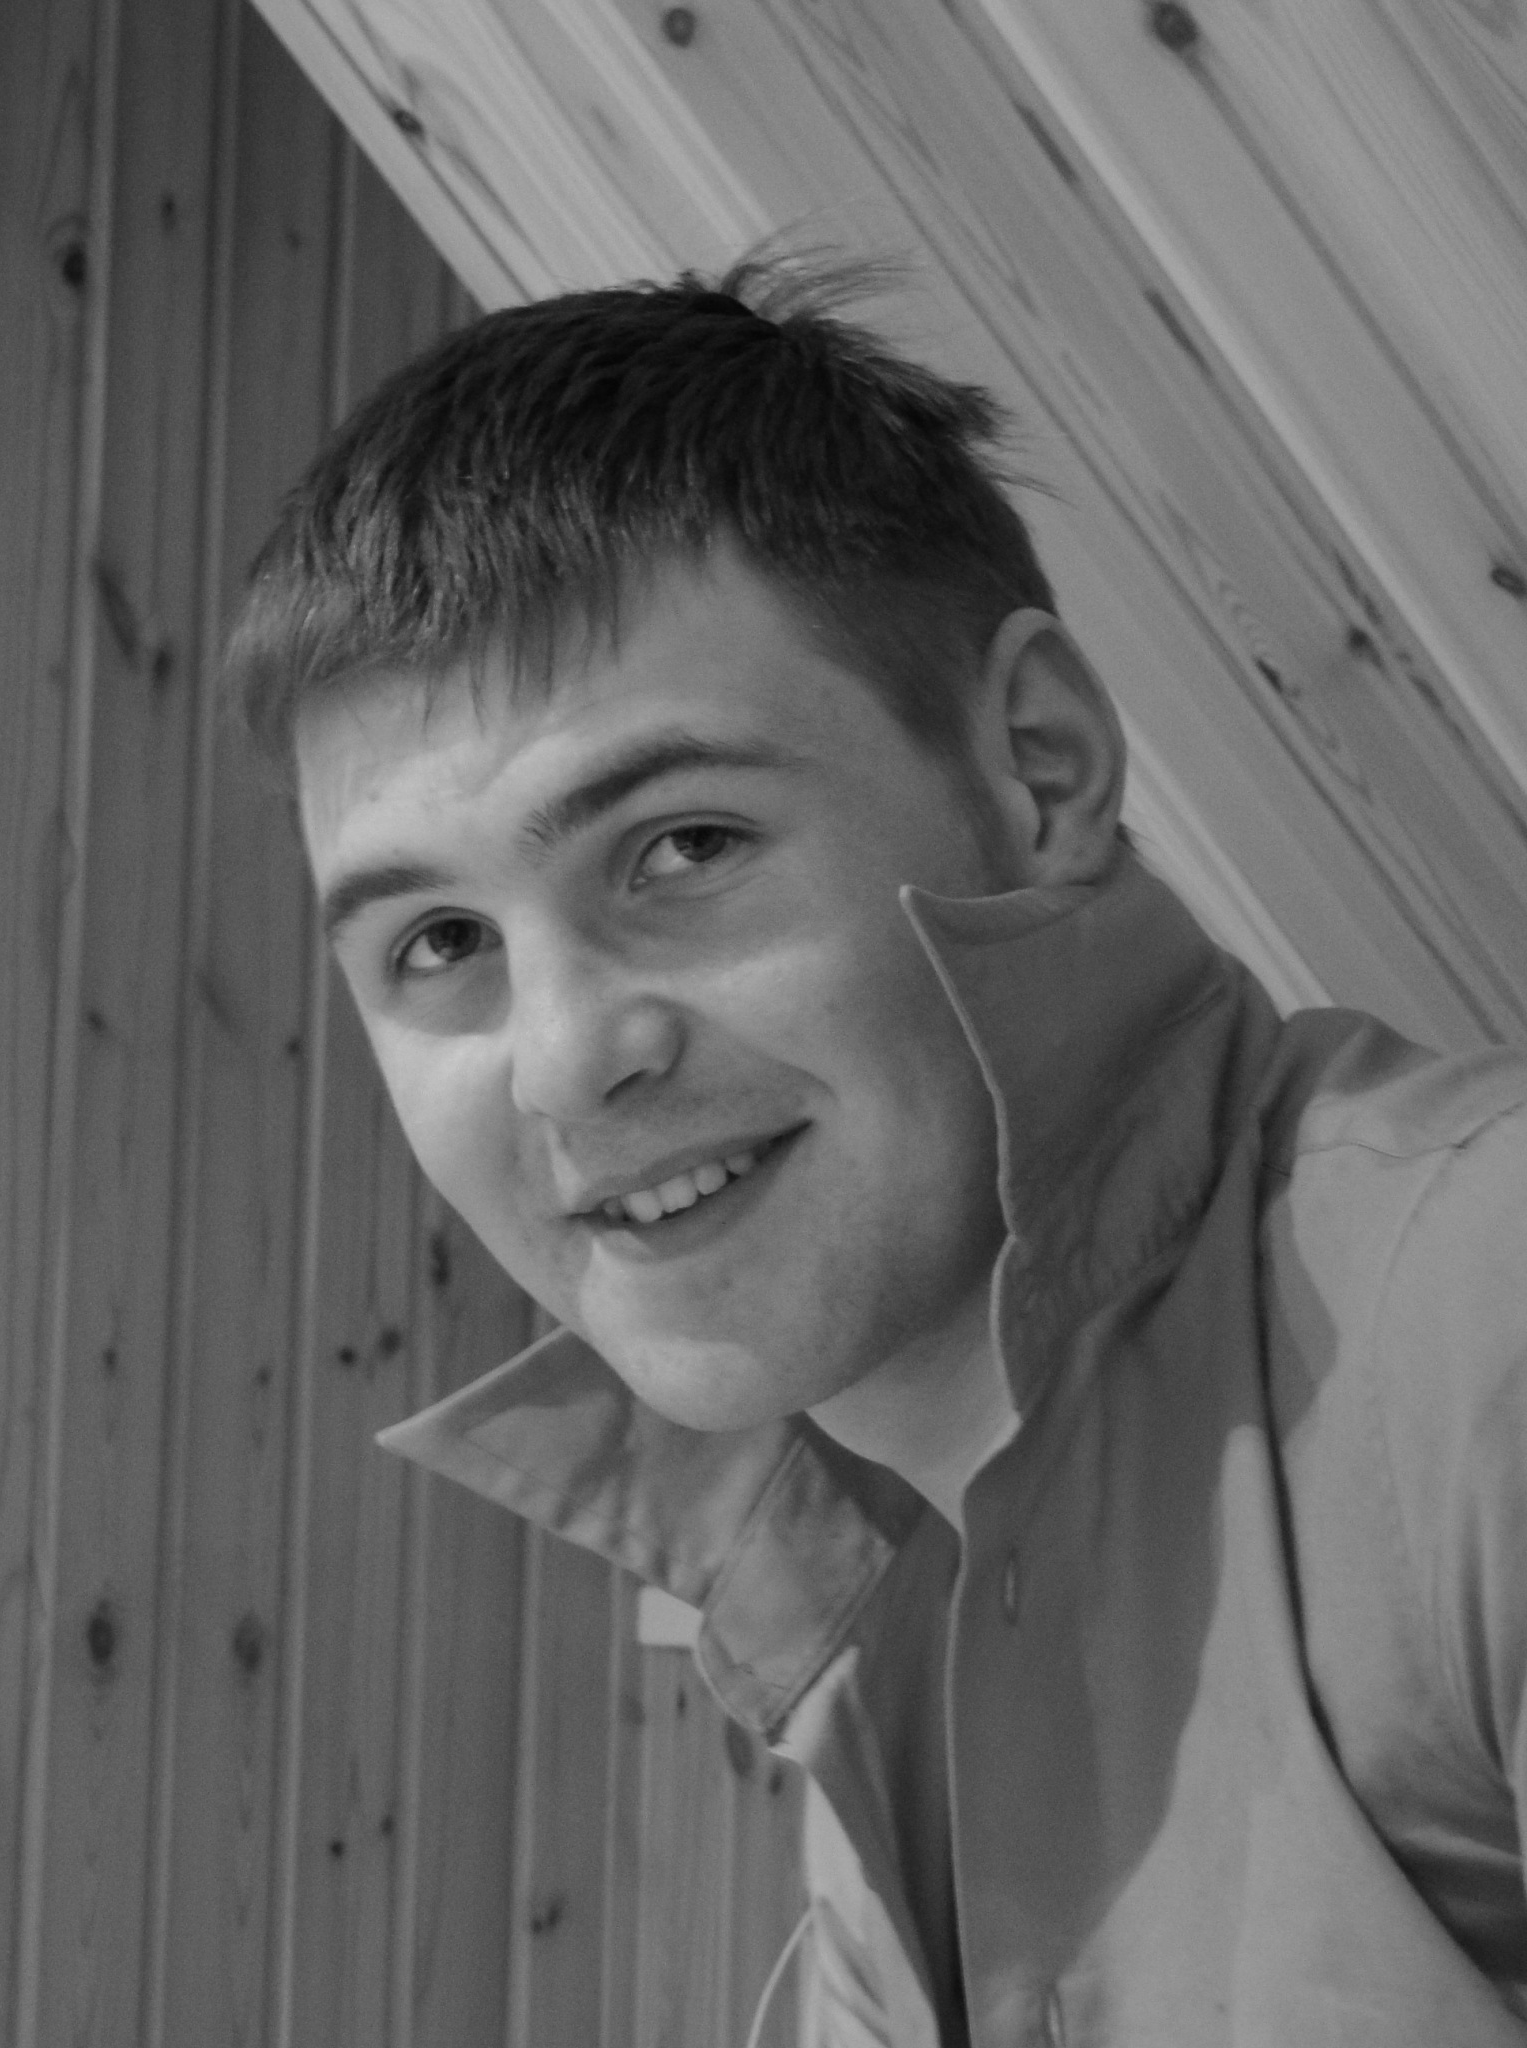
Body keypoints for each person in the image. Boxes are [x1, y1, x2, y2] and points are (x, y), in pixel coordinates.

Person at [225, 258, 1527, 2045]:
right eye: (438, 943)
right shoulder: (861, 1647)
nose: (567, 1060)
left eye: (684, 846)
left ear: (1040, 770)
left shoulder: (1483, 1319)